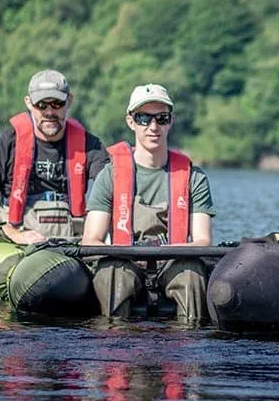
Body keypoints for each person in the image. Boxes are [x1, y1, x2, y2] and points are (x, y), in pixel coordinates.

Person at [81, 84, 216, 322]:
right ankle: (114, 345)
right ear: (130, 122)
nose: (153, 127)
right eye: (143, 118)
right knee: (112, 274)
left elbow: (203, 241)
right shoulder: (110, 175)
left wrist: (163, 252)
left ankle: (188, 347)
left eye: (161, 118)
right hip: (125, 261)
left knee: (192, 274)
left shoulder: (194, 177)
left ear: (170, 121)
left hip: (174, 263)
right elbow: (91, 240)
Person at [0, 69, 109, 244]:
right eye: (41, 105)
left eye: (56, 104)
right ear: (29, 103)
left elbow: (113, 194)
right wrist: (13, 234)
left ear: (69, 101)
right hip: (16, 241)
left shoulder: (91, 146)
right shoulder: (7, 143)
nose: (49, 112)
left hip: (71, 242)